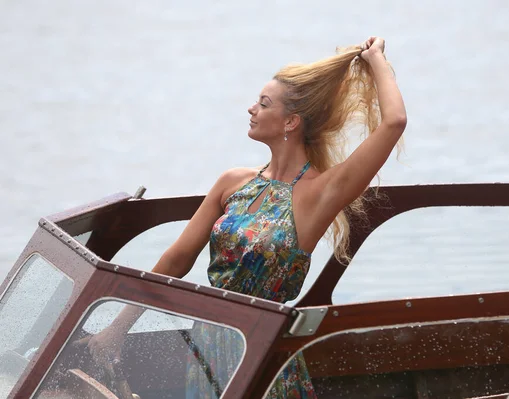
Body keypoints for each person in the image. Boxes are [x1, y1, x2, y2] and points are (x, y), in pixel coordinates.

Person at [87, 36, 407, 398]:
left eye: (263, 103)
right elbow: (175, 260)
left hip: (263, 350)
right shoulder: (233, 182)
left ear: (291, 122)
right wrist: (118, 328)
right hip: (207, 346)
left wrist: (375, 58)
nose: (251, 109)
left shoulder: (320, 193)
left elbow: (394, 121)